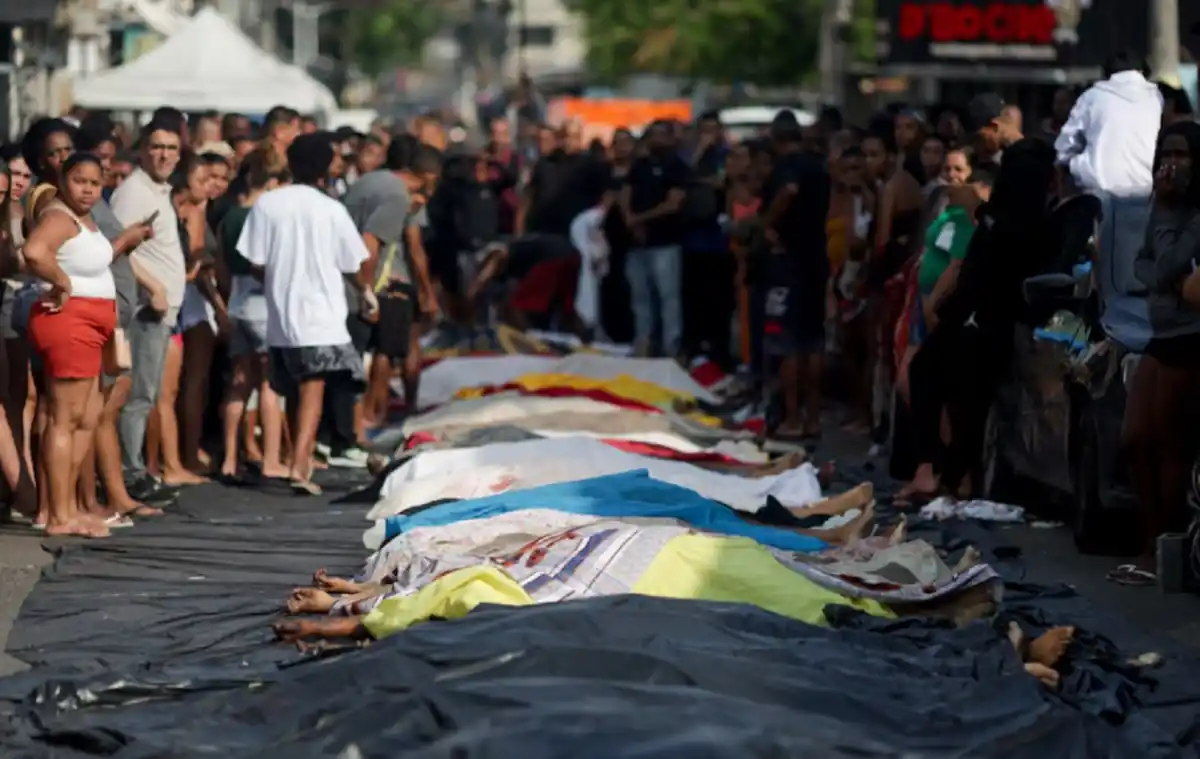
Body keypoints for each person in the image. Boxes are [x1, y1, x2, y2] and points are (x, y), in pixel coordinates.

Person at [902, 139, 1058, 502]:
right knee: (947, 388)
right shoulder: (1010, 215)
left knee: (963, 398)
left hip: (984, 319)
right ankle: (943, 475)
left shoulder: (1014, 220)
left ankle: (948, 478)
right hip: (972, 316)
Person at [236, 133, 375, 496]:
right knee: (313, 389)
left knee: (293, 388)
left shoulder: (268, 204)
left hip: (281, 312)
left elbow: (254, 261)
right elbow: (353, 263)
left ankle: (296, 455)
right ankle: (300, 464)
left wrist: (280, 278)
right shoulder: (331, 209)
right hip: (322, 313)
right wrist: (366, 292)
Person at [22, 154, 123, 537]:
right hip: (69, 321)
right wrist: (61, 280)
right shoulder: (58, 216)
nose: (87, 189)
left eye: (95, 183)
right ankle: (60, 515)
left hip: (92, 321)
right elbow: (33, 252)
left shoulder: (84, 219)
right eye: (79, 180)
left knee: (86, 418)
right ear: (64, 180)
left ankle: (70, 509)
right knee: (65, 418)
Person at [1117, 121, 1200, 585]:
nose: (1172, 163)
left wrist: (1161, 271)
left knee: (1168, 443)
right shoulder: (1162, 207)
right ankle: (1149, 543)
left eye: (1182, 154)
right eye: (1166, 152)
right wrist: (1161, 275)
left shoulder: (1188, 212)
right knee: (1134, 440)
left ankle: (1161, 550)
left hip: (1190, 337)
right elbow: (1145, 265)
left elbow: (1167, 263)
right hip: (1160, 332)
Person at [342, 135, 441, 437]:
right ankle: (372, 415)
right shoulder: (399, 196)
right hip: (382, 282)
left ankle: (355, 423)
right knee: (387, 348)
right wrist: (367, 292)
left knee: (359, 355)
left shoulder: (369, 182)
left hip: (351, 279)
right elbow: (375, 245)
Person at [109, 119, 185, 505]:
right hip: (143, 310)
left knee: (148, 395)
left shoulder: (156, 190)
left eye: (171, 147)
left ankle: (137, 470)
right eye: (157, 146)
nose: (164, 154)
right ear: (142, 149)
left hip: (160, 312)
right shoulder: (134, 192)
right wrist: (154, 286)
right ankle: (130, 474)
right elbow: (117, 247)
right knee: (138, 395)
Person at [761, 112, 832, 440]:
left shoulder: (787, 167)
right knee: (813, 342)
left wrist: (769, 225)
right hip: (817, 258)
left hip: (788, 262)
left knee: (786, 341)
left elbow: (788, 191)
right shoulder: (818, 166)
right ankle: (814, 417)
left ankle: (792, 416)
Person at [620, 120, 689, 358]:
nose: (656, 140)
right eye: (653, 135)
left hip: (665, 242)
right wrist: (628, 217)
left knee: (668, 297)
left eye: (662, 135)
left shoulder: (677, 166)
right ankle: (644, 343)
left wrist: (640, 218)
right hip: (637, 244)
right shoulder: (639, 165)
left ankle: (671, 346)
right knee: (640, 298)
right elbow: (625, 192)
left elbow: (673, 203)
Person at [1054, 52, 1162, 196]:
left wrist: (1076, 164)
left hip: (1097, 195)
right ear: (1142, 72)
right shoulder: (1157, 97)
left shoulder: (1092, 96)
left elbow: (1064, 147)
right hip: (1146, 195)